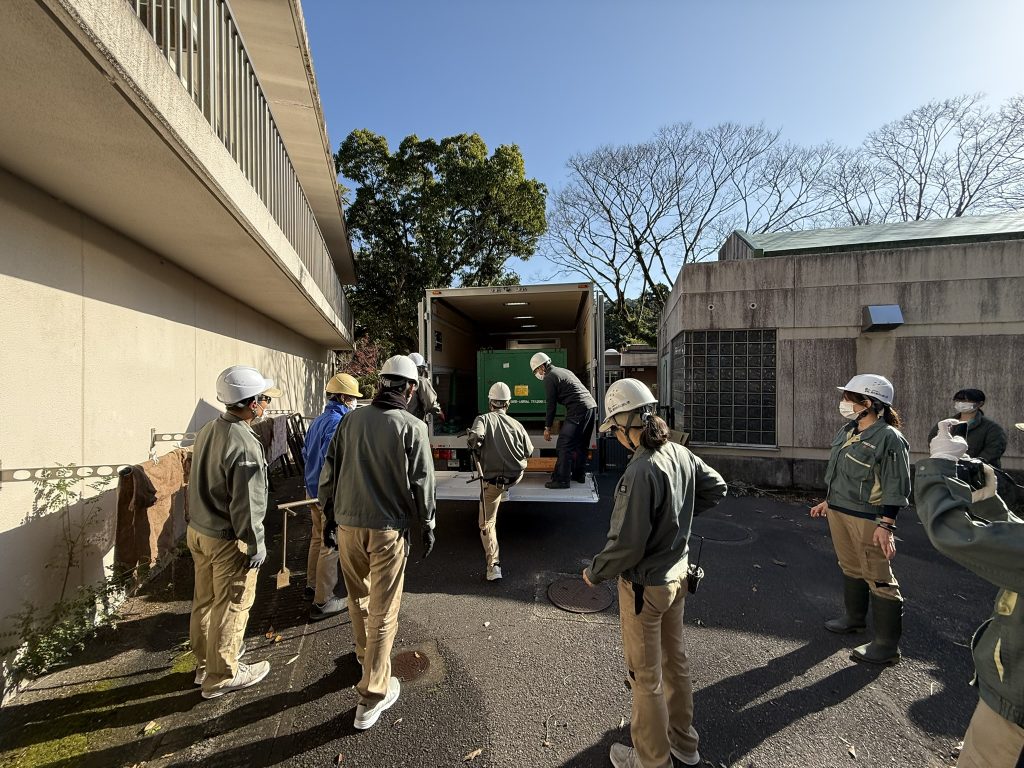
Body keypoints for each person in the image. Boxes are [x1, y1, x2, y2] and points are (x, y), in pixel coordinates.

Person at [583, 379, 727, 768]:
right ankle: (685, 744)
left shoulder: (641, 470)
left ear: (631, 421)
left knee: (644, 678)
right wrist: (677, 520)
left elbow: (625, 544)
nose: (616, 435)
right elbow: (717, 488)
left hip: (645, 588)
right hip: (678, 577)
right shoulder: (679, 453)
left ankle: (651, 759)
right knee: (674, 663)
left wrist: (594, 573)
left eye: (615, 427)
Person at [317, 355, 436, 730]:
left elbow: (329, 474)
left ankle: (364, 656)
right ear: (411, 388)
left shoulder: (350, 420)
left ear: (381, 382)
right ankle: (372, 696)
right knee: (384, 612)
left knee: (359, 599)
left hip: (348, 527)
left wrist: (327, 517)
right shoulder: (412, 427)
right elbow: (423, 484)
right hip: (387, 531)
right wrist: (428, 525)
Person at [918, 419, 1024, 768]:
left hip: (1015, 716)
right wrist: (988, 503)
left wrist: (939, 470)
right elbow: (1012, 544)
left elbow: (952, 534)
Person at [187, 365, 278, 699]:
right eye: (264, 399)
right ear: (252, 404)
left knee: (205, 602)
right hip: (227, 539)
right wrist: (256, 545)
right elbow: (249, 504)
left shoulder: (210, 429)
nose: (267, 404)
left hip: (199, 532)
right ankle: (223, 675)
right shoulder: (244, 443)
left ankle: (204, 666)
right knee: (233, 605)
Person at [809, 374, 911, 665]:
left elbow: (896, 484)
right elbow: (843, 471)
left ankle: (886, 645)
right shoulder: (848, 430)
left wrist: (886, 525)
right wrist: (829, 501)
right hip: (840, 510)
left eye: (848, 399)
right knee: (850, 565)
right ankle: (854, 619)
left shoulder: (889, 438)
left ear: (868, 403)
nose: (843, 403)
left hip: (869, 517)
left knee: (878, 575)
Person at [302, 372, 361, 621]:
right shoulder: (339, 423)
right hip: (329, 495)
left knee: (317, 539)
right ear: (344, 397)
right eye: (353, 398)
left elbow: (307, 452)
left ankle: (312, 584)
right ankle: (323, 601)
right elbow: (335, 462)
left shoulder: (319, 420)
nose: (355, 402)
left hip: (312, 489)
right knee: (331, 543)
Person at [467, 381, 535, 581]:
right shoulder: (517, 424)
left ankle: (493, 566)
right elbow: (529, 451)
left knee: (487, 523)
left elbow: (476, 439)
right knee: (502, 487)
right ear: (508, 404)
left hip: (493, 482)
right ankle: (505, 489)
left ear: (491, 403)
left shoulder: (483, 419)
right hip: (515, 477)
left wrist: (476, 441)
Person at [529, 352, 597, 490]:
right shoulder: (563, 371)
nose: (537, 373)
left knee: (563, 445)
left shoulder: (550, 377)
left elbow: (551, 405)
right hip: (591, 406)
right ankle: (579, 475)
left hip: (578, 409)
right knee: (581, 444)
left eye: (536, 370)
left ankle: (562, 480)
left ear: (542, 366)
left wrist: (547, 427)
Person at [927, 388, 1008, 467]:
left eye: (966, 401)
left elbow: (993, 451)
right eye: (958, 400)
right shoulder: (946, 423)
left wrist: (972, 464)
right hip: (946, 468)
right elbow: (933, 441)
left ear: (980, 404)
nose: (961, 403)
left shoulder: (992, 428)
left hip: (979, 472)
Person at [406, 352, 443, 424]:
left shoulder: (401, 380)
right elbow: (431, 404)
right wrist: (441, 415)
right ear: (420, 368)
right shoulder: (421, 381)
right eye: (422, 368)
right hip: (412, 424)